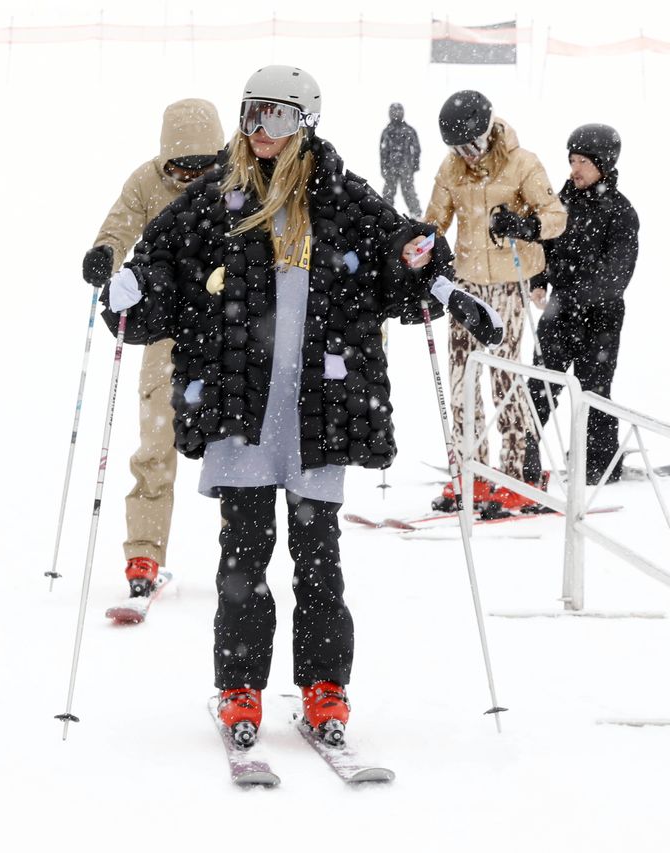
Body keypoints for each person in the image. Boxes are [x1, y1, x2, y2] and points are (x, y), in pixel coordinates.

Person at [100, 66, 501, 748]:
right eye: (252, 115)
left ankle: (324, 685)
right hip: (242, 410)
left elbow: (397, 252)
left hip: (318, 408)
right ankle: (239, 686)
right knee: (244, 558)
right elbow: (162, 261)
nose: (260, 132)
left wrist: (435, 279)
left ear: (306, 123)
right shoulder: (217, 196)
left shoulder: (340, 195)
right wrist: (130, 287)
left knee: (319, 559)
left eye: (278, 119)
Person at [82, 99, 225, 599]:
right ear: (166, 160)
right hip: (164, 332)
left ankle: (243, 557)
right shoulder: (147, 181)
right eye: (182, 167)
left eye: (204, 166)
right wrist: (105, 252)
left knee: (235, 448)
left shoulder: (239, 180)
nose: (192, 177)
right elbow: (120, 224)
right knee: (155, 447)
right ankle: (144, 553)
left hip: (226, 332)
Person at [424, 90, 566, 515]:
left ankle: (516, 471)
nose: (465, 155)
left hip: (508, 283)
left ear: (487, 133)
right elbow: (434, 221)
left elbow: (556, 217)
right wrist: (420, 254)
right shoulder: (451, 169)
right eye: (457, 148)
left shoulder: (523, 163)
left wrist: (523, 224)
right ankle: (474, 471)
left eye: (470, 145)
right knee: (461, 376)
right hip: (466, 286)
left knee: (504, 377)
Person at [527, 124, 640, 485]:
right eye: (572, 160)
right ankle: (522, 458)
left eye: (583, 162)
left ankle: (600, 465)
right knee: (539, 388)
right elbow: (544, 244)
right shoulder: (560, 204)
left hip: (600, 318)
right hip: (560, 312)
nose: (574, 169)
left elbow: (617, 275)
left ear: (604, 165)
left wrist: (575, 294)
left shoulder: (621, 213)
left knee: (594, 392)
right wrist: (538, 279)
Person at [379, 102, 422, 218]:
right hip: (394, 168)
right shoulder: (388, 132)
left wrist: (414, 165)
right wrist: (384, 168)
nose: (396, 114)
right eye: (394, 112)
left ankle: (416, 215)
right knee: (390, 194)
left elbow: (416, 148)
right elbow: (383, 152)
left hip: (404, 167)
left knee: (407, 192)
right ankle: (386, 215)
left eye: (398, 111)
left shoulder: (407, 130)